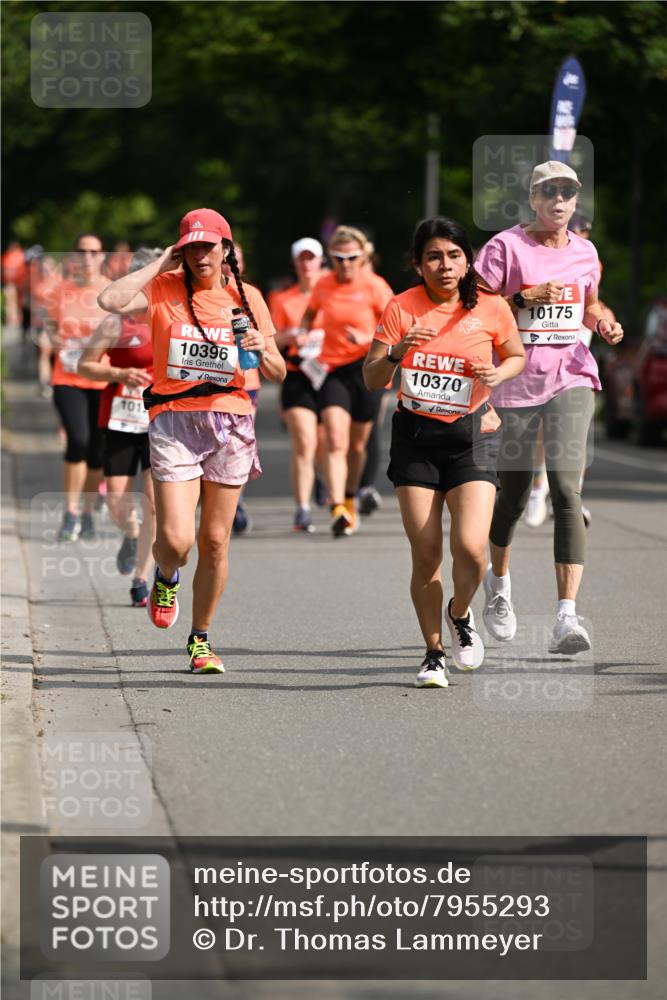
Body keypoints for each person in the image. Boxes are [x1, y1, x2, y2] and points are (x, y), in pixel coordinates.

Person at [98, 208, 286, 674]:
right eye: (191, 247)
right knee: (178, 540)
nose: (200, 255)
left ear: (226, 250)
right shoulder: (163, 289)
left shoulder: (249, 298)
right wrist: (159, 264)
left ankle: (200, 639)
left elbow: (278, 371)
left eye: (209, 246)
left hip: (232, 420)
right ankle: (166, 576)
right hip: (175, 420)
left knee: (216, 540)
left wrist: (264, 351)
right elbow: (109, 300)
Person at [364, 217, 524, 687]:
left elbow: (515, 354)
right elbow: (372, 378)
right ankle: (434, 652)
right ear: (418, 263)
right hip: (416, 439)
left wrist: (498, 374)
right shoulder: (401, 307)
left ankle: (460, 613)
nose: (445, 265)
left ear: (468, 259)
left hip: (472, 435)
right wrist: (396, 352)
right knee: (427, 551)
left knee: (472, 550)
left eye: (454, 255)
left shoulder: (491, 307)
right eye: (434, 256)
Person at [475, 161, 624, 654]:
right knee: (513, 498)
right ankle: (497, 584)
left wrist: (603, 323)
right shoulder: (505, 247)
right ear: (532, 198)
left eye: (568, 193)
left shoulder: (586, 251)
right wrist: (523, 297)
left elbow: (592, 304)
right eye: (549, 192)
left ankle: (566, 616)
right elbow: (472, 308)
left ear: (576, 201)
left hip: (571, 376)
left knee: (565, 489)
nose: (559, 201)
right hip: (515, 384)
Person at [78, 248, 161, 607]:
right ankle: (131, 532)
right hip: (121, 417)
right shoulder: (116, 323)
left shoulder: (172, 318)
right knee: (116, 501)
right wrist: (119, 373)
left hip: (162, 418)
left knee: (155, 506)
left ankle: (142, 578)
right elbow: (85, 365)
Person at [300, 226, 393, 537]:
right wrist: (304, 335)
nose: (345, 264)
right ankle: (337, 505)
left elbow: (397, 329)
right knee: (335, 439)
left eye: (352, 257)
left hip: (368, 369)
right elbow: (309, 315)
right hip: (334, 369)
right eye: (338, 258)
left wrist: (368, 338)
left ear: (363, 256)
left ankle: (350, 499)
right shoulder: (324, 284)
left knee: (356, 446)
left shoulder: (375, 286)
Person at [47, 233, 110, 541]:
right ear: (74, 256)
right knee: (79, 441)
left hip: (102, 379)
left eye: (94, 251)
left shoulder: (112, 293)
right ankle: (70, 511)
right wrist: (54, 340)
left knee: (98, 452)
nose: (87, 257)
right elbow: (48, 328)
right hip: (67, 377)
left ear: (101, 256)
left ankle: (87, 512)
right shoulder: (60, 292)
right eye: (82, 251)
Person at [269, 237, 326, 532]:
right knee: (305, 441)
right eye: (301, 258)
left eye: (311, 258)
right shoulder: (282, 299)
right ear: (295, 263)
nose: (307, 264)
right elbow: (270, 341)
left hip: (328, 374)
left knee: (324, 443)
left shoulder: (334, 294)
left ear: (320, 261)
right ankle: (302, 509)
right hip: (296, 374)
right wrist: (288, 336)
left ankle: (319, 476)